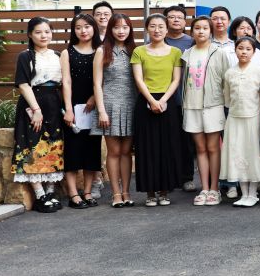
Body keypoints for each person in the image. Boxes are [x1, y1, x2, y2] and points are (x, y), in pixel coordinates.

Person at [12, 17, 65, 213]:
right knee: (33, 145)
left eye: (47, 32)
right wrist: (36, 110)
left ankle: (50, 193)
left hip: (54, 103)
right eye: (38, 32)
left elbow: (64, 83)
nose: (44, 36)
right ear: (29, 34)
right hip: (33, 103)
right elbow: (23, 84)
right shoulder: (25, 56)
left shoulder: (58, 55)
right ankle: (40, 195)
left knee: (54, 145)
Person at [131, 14, 184, 207]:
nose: (157, 30)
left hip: (168, 102)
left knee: (167, 147)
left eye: (161, 26)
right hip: (145, 102)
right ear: (147, 29)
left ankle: (164, 191)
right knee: (147, 147)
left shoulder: (175, 52)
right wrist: (152, 100)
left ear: (166, 29)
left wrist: (162, 100)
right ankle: (150, 193)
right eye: (152, 26)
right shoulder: (139, 51)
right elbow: (138, 79)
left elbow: (176, 80)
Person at [181, 16, 230, 206]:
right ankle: (204, 188)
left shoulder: (219, 53)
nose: (201, 31)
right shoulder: (187, 54)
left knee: (213, 148)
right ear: (192, 31)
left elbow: (226, 80)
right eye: (197, 28)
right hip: (191, 106)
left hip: (213, 105)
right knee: (200, 149)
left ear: (211, 31)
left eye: (205, 28)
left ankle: (215, 189)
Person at [92, 14, 137, 208]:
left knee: (126, 152)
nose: (121, 31)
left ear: (130, 29)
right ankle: (116, 194)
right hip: (109, 105)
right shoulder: (102, 50)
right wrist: (101, 110)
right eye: (117, 27)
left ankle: (126, 192)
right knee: (114, 151)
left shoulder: (135, 50)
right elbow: (97, 83)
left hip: (131, 105)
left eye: (125, 27)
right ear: (110, 29)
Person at [61, 14, 102, 209]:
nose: (83, 31)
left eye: (87, 26)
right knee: (72, 151)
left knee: (91, 151)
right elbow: (66, 82)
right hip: (74, 107)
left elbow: (104, 79)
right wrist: (69, 109)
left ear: (94, 28)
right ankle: (73, 194)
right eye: (78, 27)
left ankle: (87, 192)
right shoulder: (67, 52)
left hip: (95, 106)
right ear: (73, 30)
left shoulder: (101, 50)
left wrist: (94, 97)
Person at [220, 37, 260, 208]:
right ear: (235, 50)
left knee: (252, 154)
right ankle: (244, 193)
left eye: (248, 49)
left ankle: (253, 194)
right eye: (240, 48)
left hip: (253, 118)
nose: (244, 52)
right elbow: (227, 99)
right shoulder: (229, 73)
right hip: (234, 119)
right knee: (237, 154)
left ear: (254, 52)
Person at [164, 5, 196, 193]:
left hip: (188, 98)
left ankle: (187, 177)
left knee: (186, 142)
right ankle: (168, 178)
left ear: (185, 21)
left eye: (179, 17)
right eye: (171, 17)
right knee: (167, 140)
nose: (175, 20)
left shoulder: (192, 42)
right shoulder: (159, 40)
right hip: (164, 98)